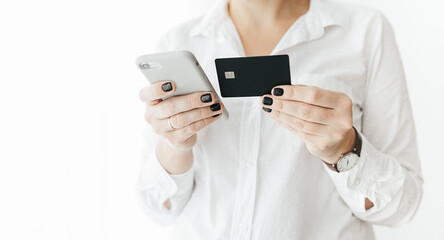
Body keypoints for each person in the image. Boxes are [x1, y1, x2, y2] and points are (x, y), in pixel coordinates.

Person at [137, 0, 423, 239]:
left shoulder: (364, 32)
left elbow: (403, 206)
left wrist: (345, 151)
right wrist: (174, 144)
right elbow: (159, 208)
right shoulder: (179, 43)